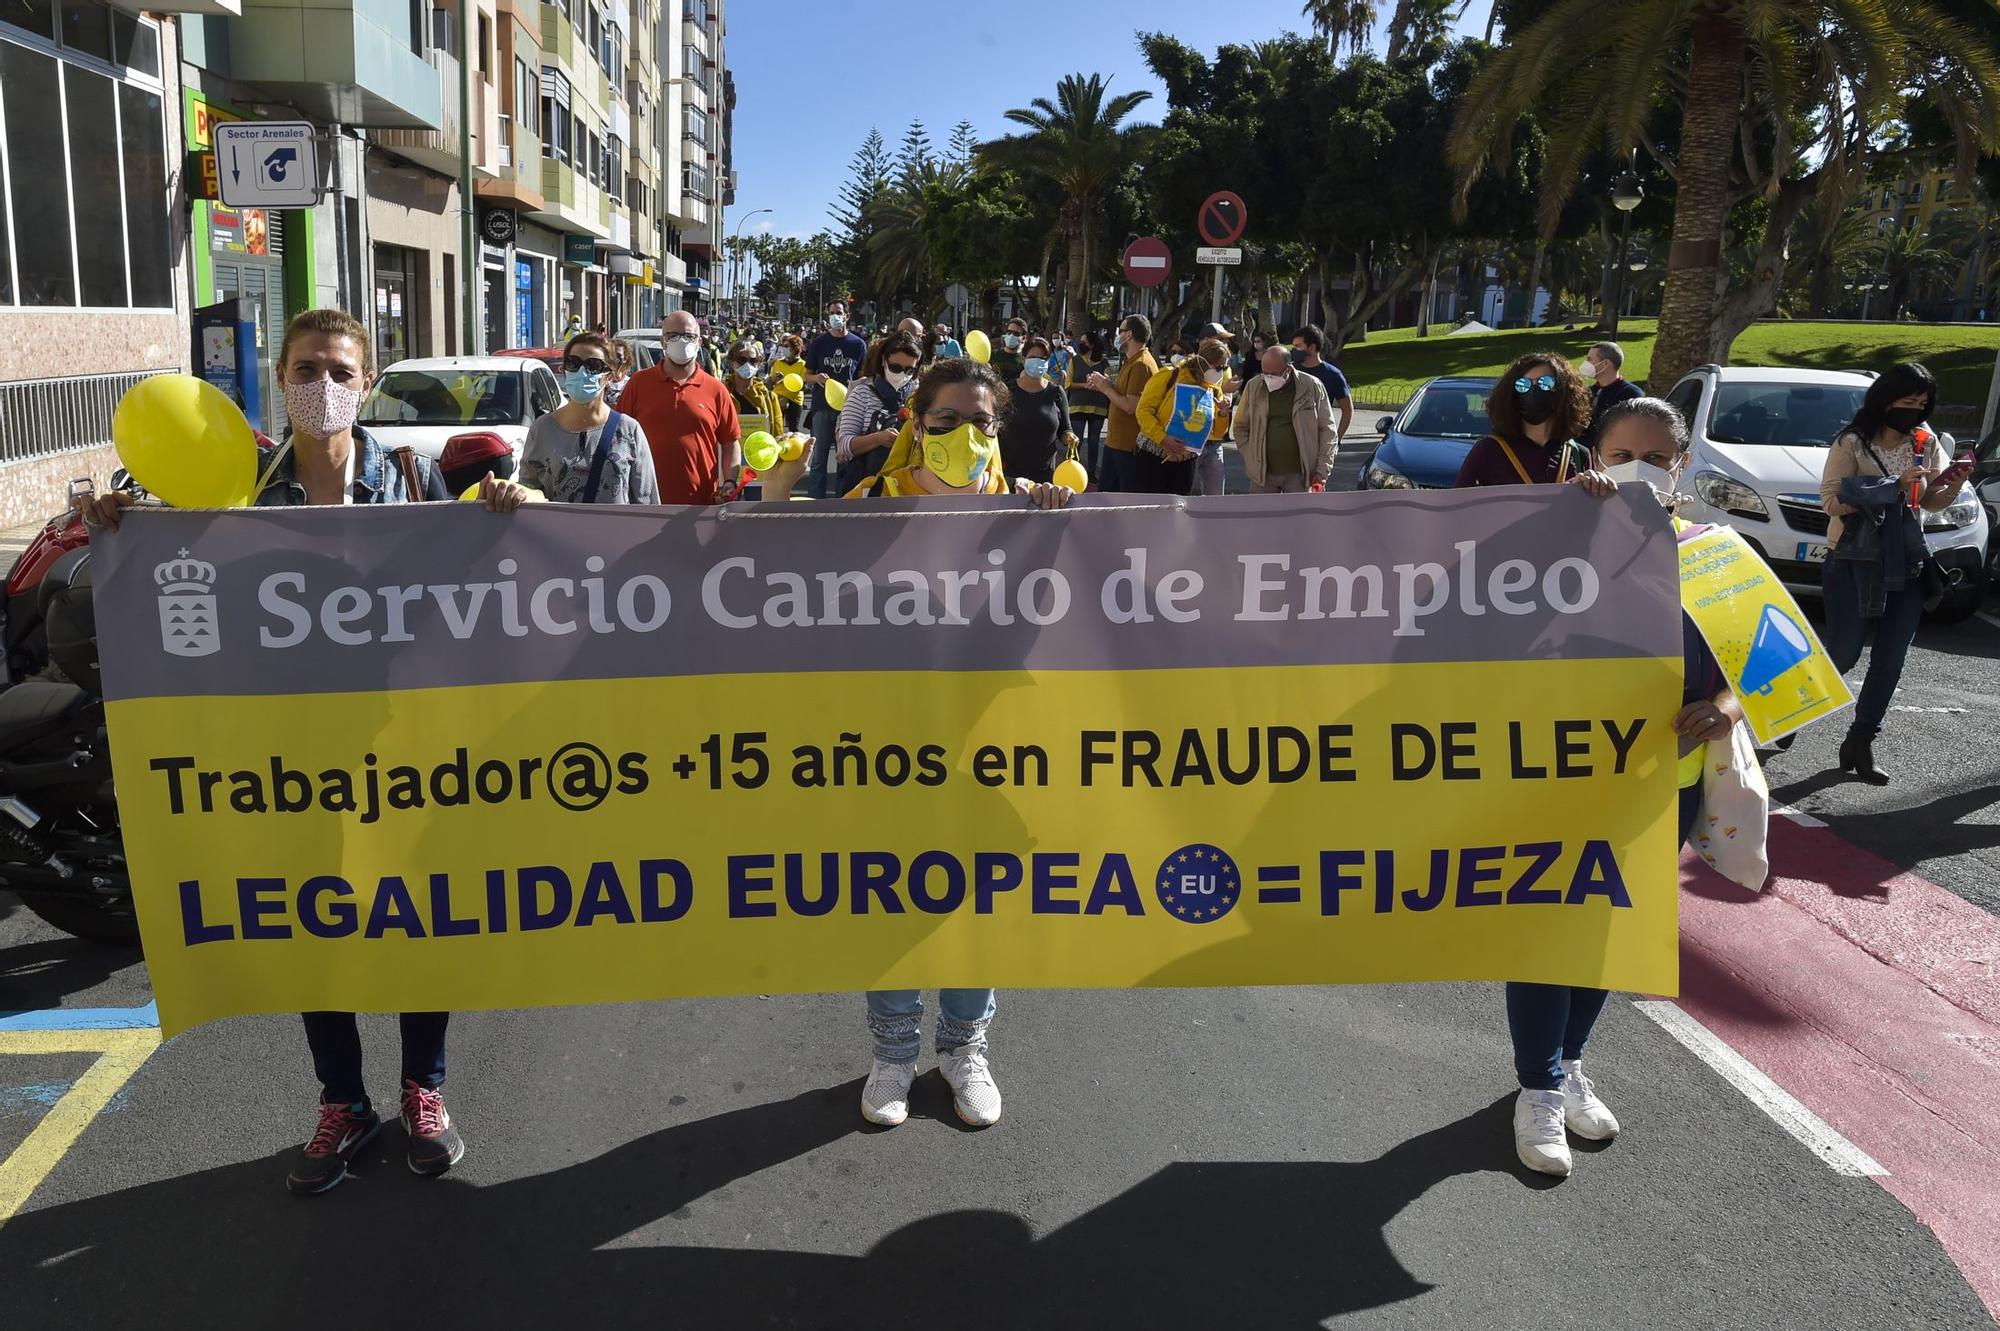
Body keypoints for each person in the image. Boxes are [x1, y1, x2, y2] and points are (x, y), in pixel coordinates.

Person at [78, 308, 534, 1195]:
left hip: (404, 746)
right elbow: (175, 576)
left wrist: (502, 513)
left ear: (366, 383)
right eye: (305, 367)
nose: (322, 385)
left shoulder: (407, 480)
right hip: (288, 759)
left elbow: (473, 583)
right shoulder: (239, 489)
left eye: (339, 369)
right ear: (279, 376)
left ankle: (423, 1090)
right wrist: (119, 523)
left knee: (416, 910)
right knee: (311, 917)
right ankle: (343, 1100)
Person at [1509, 396, 1746, 1179]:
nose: (1638, 468)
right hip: (1563, 776)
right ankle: (1536, 1087)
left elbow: (1748, 675)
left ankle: (1571, 1061)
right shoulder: (1557, 537)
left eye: (1656, 455)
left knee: (1609, 933)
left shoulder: (1714, 553)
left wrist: (1720, 710)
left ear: (1683, 463)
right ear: (1592, 458)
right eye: (1620, 455)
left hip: (1661, 786)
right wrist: (1568, 523)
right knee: (1549, 928)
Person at [838, 358, 1074, 1128]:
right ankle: (894, 1054)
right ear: (917, 425)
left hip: (996, 752)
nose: (965, 437)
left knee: (978, 905)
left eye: (981, 422)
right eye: (946, 422)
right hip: (888, 751)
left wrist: (1059, 518)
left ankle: (963, 1047)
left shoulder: (1025, 511)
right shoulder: (868, 506)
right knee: (890, 902)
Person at [1816, 362, 1973, 783]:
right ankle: (1785, 715)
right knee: (1844, 652)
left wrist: (1954, 481)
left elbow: (1932, 502)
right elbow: (1831, 501)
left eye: (1923, 404)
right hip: (1852, 559)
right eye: (1908, 402)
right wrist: (1892, 489)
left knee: (1891, 659)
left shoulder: (1925, 442)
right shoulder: (1852, 442)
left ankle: (1861, 740)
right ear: (1885, 400)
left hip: (1906, 561)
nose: (1916, 411)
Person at [519, 329, 661, 503]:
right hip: (554, 530)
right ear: (565, 369)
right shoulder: (542, 429)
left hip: (615, 530)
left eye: (593, 366)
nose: (582, 372)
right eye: (573, 363)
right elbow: (526, 494)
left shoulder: (629, 430)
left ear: (609, 375)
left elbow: (646, 501)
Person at [619, 309, 742, 505]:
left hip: (700, 505)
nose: (681, 341)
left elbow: (730, 443)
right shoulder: (638, 383)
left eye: (688, 335)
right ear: (663, 341)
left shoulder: (716, 389)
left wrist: (729, 482)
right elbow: (619, 437)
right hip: (644, 504)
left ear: (699, 342)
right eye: (673, 335)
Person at [1455, 352, 1592, 487]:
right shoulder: (1488, 452)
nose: (1533, 390)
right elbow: (1458, 505)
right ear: (1512, 394)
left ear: (1563, 392)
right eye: (1523, 384)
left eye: (1545, 382)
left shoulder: (1578, 455)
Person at [1231, 345, 1338, 493]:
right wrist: (1250, 456)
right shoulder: (1253, 387)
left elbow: (1328, 430)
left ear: (1288, 369)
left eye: (1273, 374)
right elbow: (1240, 426)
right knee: (1260, 516)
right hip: (1263, 476)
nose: (1268, 378)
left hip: (1301, 475)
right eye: (1264, 373)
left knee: (1299, 516)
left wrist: (1322, 470)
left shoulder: (1311, 386)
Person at [1133, 336, 1230, 496]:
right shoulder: (1169, 376)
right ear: (1204, 362)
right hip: (1152, 457)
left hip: (1185, 461)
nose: (1222, 373)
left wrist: (1223, 413)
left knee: (1178, 513)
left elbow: (1215, 434)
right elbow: (1143, 411)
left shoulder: (1213, 390)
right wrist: (1163, 438)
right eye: (1220, 367)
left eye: (1225, 368)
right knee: (1148, 511)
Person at [834, 330, 921, 494]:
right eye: (895, 368)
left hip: (908, 489)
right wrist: (878, 439)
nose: (902, 374)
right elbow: (843, 446)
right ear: (883, 361)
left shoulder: (919, 396)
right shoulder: (861, 394)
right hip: (868, 488)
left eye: (909, 370)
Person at [803, 301, 868, 498]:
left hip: (849, 408)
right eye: (831, 313)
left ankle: (843, 499)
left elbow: (863, 376)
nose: (834, 316)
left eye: (838, 313)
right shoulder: (819, 343)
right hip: (822, 406)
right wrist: (817, 378)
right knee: (819, 458)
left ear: (847, 316)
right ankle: (815, 502)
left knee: (845, 457)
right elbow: (807, 375)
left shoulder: (858, 344)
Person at [1087, 314, 1158, 494]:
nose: (1117, 335)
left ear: (1129, 335)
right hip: (1117, 444)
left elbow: (1130, 406)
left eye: (1121, 330)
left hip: (1129, 448)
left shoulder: (1142, 364)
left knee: (1122, 501)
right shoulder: (1131, 361)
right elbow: (1122, 395)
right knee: (1106, 499)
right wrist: (1105, 385)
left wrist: (1105, 388)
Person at [998, 334, 1072, 485]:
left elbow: (1065, 429)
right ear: (1024, 358)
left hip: (1044, 476)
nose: (1038, 361)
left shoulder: (1056, 393)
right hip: (1010, 475)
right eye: (1033, 357)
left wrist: (1070, 437)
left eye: (1043, 358)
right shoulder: (1007, 391)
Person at [1289, 326, 1354, 448]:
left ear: (1312, 347)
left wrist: (1336, 439)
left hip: (1317, 439)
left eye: (1298, 346)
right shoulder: (1288, 371)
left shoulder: (1333, 374)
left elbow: (1347, 410)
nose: (1294, 350)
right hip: (1289, 437)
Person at [1194, 322, 1236, 496]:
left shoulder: (1226, 367)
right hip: (1191, 439)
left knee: (1215, 495)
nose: (1225, 344)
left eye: (1226, 340)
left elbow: (1225, 398)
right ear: (1204, 341)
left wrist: (1224, 403)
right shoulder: (1188, 367)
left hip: (1214, 439)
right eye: (1221, 339)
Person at [1064, 328, 1112, 480]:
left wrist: (1100, 384)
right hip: (1077, 405)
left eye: (1084, 342)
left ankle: (1091, 472)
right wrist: (1085, 385)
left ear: (1092, 345)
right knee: (1075, 439)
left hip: (1098, 407)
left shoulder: (1104, 362)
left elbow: (1110, 380)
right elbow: (1068, 384)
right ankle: (1073, 469)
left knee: (1093, 441)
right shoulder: (1075, 360)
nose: (1081, 344)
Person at [1578, 341, 1643, 448]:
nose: (1586, 363)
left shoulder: (1630, 395)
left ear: (1605, 364)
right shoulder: (1588, 392)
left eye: (1589, 359)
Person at [725, 338, 787, 446]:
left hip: (760, 457)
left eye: (753, 361)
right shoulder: (721, 394)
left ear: (759, 364)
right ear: (731, 363)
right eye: (742, 360)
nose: (747, 365)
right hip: (727, 456)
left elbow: (778, 435)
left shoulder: (769, 397)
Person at [769, 334, 809, 433]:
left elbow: (804, 386)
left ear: (795, 348)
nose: (784, 348)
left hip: (795, 400)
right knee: (776, 428)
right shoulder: (778, 363)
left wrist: (787, 380)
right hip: (778, 398)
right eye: (783, 346)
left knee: (793, 430)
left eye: (787, 346)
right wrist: (774, 379)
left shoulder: (802, 365)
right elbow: (771, 383)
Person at [990, 316, 1029, 380]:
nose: (1011, 335)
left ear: (1024, 338)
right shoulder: (992, 355)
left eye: (1016, 333)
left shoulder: (1024, 362)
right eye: (1009, 332)